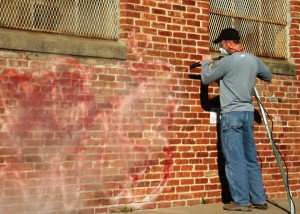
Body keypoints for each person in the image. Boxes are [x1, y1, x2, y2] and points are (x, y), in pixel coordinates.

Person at [201, 28, 272, 212]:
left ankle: (241, 202)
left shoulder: (227, 62)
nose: (221, 47)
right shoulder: (252, 59)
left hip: (231, 115)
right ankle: (259, 199)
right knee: (250, 158)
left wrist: (206, 63)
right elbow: (268, 76)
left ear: (230, 43)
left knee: (234, 160)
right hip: (247, 114)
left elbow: (206, 78)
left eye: (222, 44)